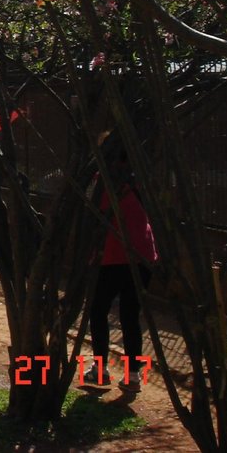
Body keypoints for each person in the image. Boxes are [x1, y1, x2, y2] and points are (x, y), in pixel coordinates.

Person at [86, 151, 158, 386]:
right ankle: (134, 374)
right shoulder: (141, 180)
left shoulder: (101, 181)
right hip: (142, 255)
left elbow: (90, 216)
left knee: (98, 311)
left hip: (111, 255)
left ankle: (100, 368)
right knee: (130, 315)